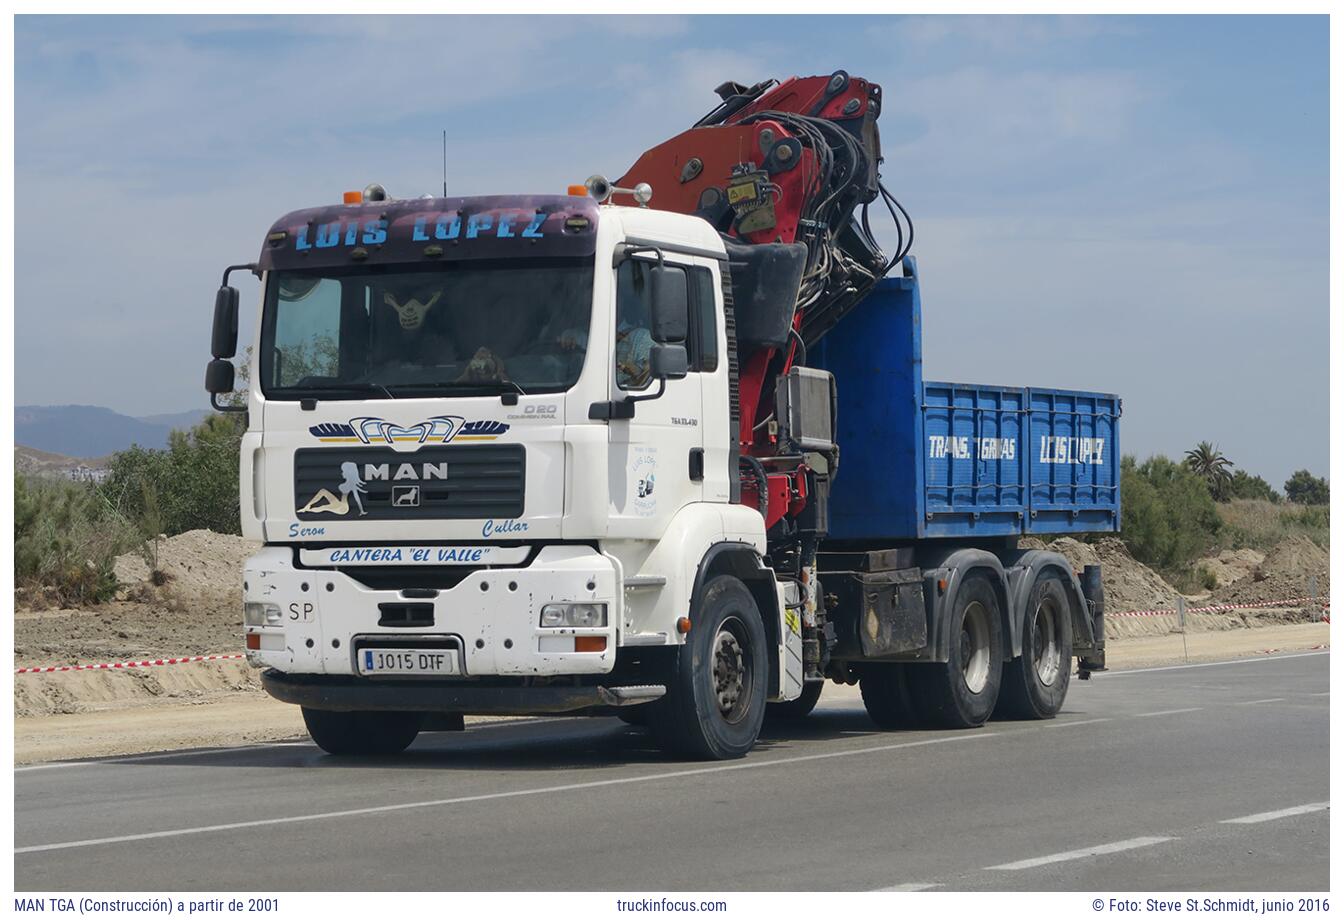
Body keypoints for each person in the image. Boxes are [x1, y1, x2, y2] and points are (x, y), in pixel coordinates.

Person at [297, 462, 367, 516]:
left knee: (323, 507)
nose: (342, 473)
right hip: (339, 504)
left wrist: (361, 510)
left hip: (343, 508)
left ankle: (306, 509)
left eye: (344, 471)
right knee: (323, 491)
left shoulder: (351, 484)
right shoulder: (347, 483)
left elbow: (357, 497)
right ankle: (307, 506)